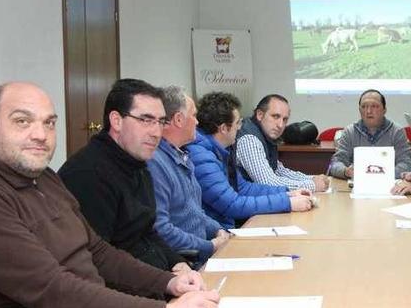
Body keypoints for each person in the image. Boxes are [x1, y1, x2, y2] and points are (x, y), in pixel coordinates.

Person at [0, 82, 218, 308]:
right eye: (22, 121)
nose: (40, 135)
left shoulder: (42, 176)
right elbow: (53, 290)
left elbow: (97, 251)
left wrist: (167, 281)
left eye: (49, 123)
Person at [59, 79, 187, 272]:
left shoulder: (138, 164)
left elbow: (147, 232)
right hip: (127, 292)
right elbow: (99, 261)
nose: (156, 132)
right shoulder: (88, 174)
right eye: (146, 120)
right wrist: (166, 283)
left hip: (155, 280)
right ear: (116, 121)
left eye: (160, 122)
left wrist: (178, 263)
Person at [187, 92, 312, 229]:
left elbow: (242, 188)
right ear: (223, 128)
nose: (240, 127)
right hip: (216, 234)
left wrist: (287, 193)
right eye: (237, 122)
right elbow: (232, 205)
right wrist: (288, 203)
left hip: (225, 227)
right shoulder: (201, 157)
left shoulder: (222, 150)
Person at [147, 86, 231, 266]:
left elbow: (195, 212)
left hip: (202, 255)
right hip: (186, 263)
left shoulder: (182, 156)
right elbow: (161, 229)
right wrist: (210, 246)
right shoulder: (155, 162)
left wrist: (218, 230)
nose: (198, 122)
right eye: (194, 115)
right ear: (178, 119)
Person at [236, 94, 330, 192]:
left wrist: (311, 178)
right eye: (275, 116)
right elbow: (267, 182)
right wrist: (312, 185)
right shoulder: (249, 139)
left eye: (285, 119)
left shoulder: (265, 134)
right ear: (260, 115)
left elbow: (278, 170)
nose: (281, 125)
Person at [328, 89, 411, 179]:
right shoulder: (350, 132)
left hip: (389, 185)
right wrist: (346, 171)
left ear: (384, 110)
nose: (368, 111)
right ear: (359, 110)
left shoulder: (396, 132)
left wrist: (383, 174)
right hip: (356, 186)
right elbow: (335, 163)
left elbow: (406, 164)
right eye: (364, 106)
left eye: (374, 106)